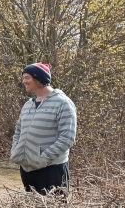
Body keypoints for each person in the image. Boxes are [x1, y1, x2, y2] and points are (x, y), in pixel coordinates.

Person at [10, 63, 77, 194]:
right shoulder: (28, 104)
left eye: (27, 77)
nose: (24, 81)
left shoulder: (63, 103)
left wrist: (43, 158)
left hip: (52, 169)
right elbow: (18, 131)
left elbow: (67, 138)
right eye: (23, 77)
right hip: (27, 169)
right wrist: (16, 151)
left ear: (39, 78)